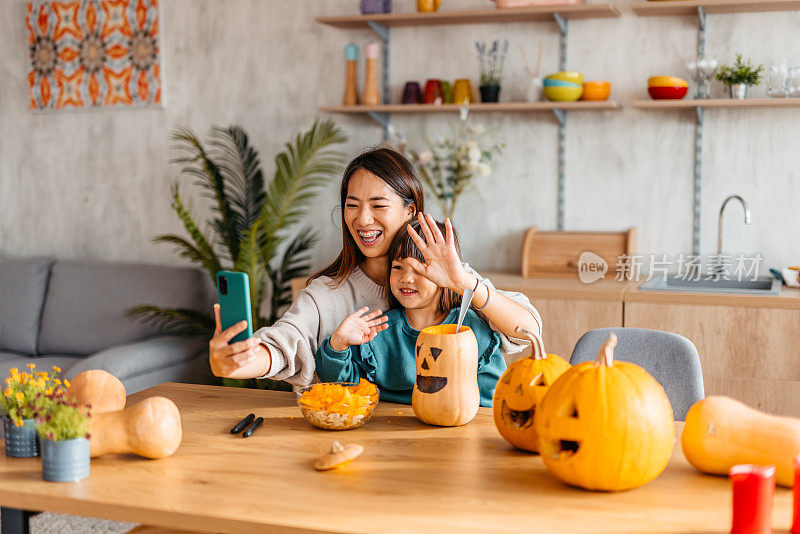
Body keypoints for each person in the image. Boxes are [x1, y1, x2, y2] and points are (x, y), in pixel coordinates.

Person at [208, 147, 541, 385]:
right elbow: (288, 342)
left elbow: (527, 331)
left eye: (378, 205)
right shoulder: (329, 293)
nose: (362, 219)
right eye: (352, 205)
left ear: (411, 212)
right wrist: (238, 361)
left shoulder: (448, 278)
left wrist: (466, 283)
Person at [316, 219, 506, 406]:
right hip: (388, 429)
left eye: (420, 270)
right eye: (398, 267)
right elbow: (340, 384)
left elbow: (493, 396)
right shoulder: (378, 330)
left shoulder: (469, 329)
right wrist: (338, 344)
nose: (406, 278)